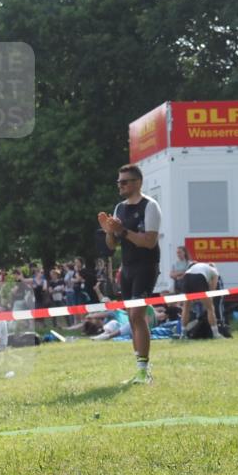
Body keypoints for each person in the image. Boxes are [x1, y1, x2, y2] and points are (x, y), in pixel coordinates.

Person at [98, 163, 162, 384]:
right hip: (127, 267)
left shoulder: (150, 206)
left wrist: (122, 230)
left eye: (124, 182)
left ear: (138, 183)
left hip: (147, 265)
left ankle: (144, 370)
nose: (120, 186)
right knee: (131, 318)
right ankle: (140, 369)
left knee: (136, 316)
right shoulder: (119, 208)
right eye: (119, 182)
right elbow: (111, 245)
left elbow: (149, 241)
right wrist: (109, 231)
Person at [180, 262, 221, 339]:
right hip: (199, 277)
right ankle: (216, 334)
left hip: (187, 276)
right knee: (210, 308)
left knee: (186, 308)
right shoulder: (215, 271)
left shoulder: (199, 266)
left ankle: (183, 334)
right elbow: (213, 288)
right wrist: (209, 300)